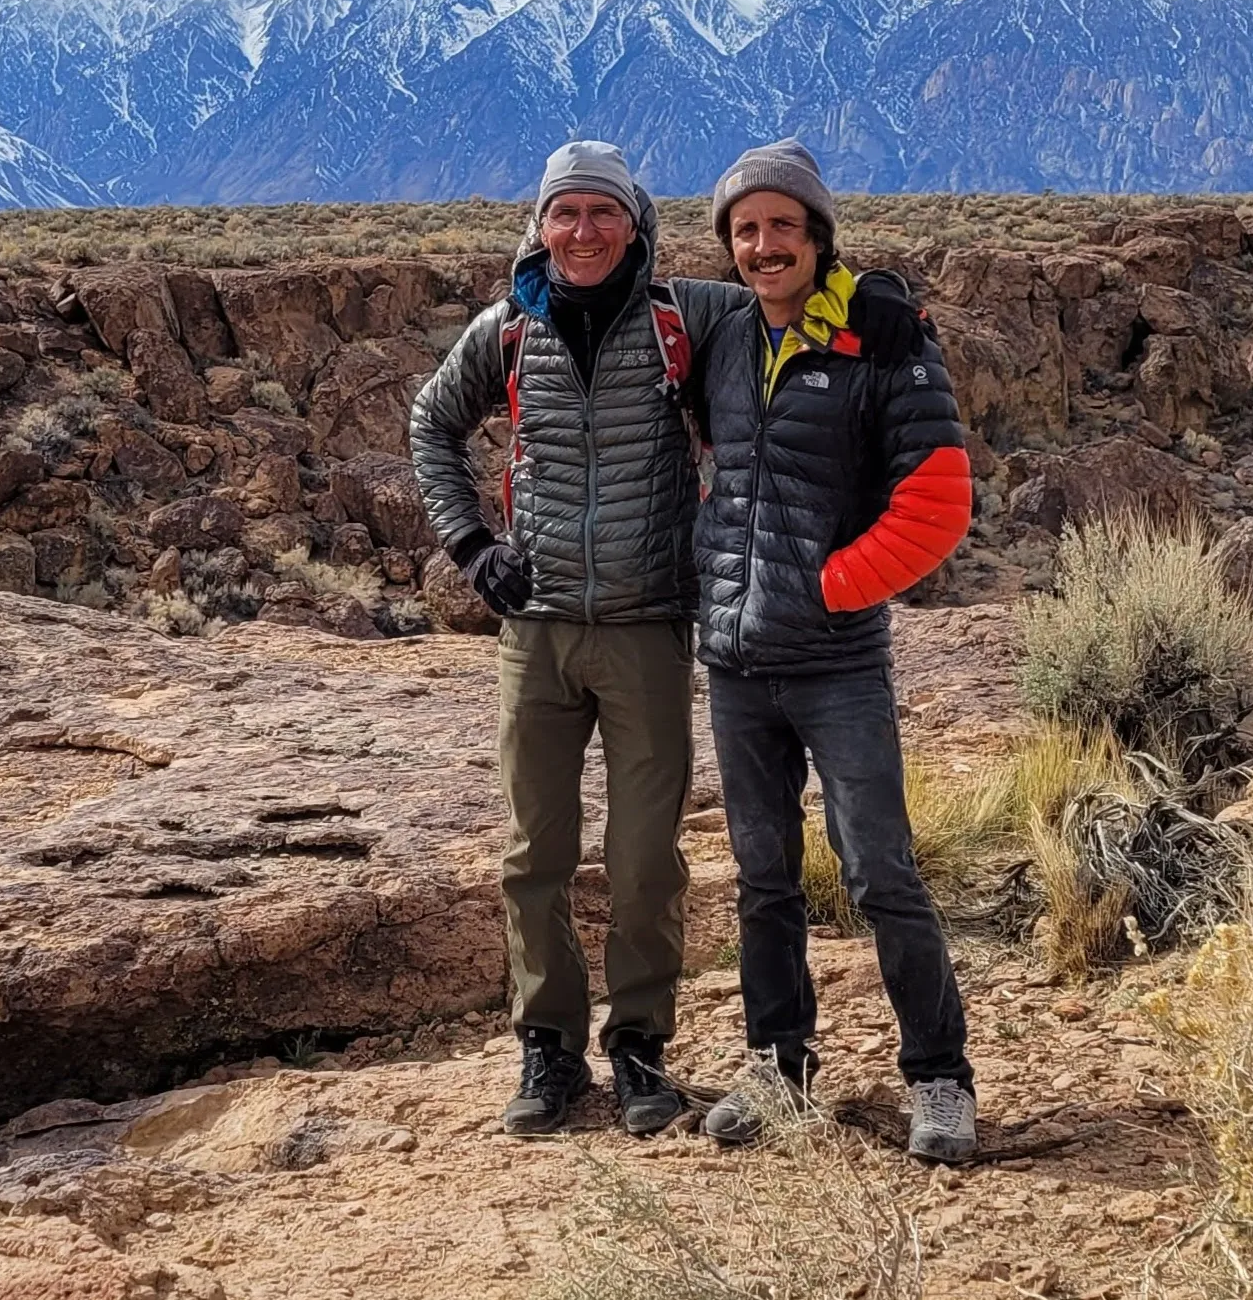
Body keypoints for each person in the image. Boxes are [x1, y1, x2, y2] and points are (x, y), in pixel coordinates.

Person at [673, 138, 981, 1162]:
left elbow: (938, 499)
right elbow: (614, 294)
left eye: (784, 228)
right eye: (745, 229)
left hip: (837, 660)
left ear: (817, 237)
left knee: (879, 869)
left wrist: (831, 586)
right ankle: (776, 1065)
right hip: (734, 660)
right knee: (761, 875)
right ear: (728, 244)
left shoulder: (880, 339)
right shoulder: (719, 337)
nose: (765, 246)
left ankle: (937, 1076)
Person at [407, 139, 701, 1138]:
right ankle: (547, 1048)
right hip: (535, 632)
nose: (581, 232)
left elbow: (787, 307)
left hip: (645, 629)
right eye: (563, 213)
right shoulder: (506, 330)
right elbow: (428, 424)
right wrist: (470, 545)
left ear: (634, 225)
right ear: (539, 224)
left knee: (643, 856)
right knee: (533, 850)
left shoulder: (679, 323)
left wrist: (873, 303)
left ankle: (641, 1047)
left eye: (601, 213)